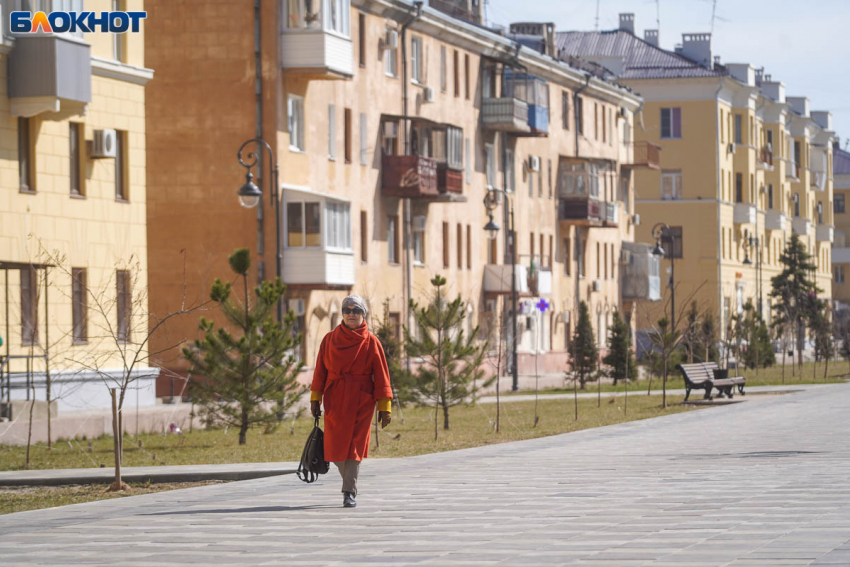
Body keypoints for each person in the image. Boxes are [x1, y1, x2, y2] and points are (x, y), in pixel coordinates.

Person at [310, 294, 392, 508]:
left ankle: (349, 491)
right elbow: (320, 371)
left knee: (354, 446)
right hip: (335, 398)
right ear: (342, 314)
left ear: (363, 314)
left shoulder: (371, 342)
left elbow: (382, 374)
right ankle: (349, 484)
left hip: (361, 400)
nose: (351, 314)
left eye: (356, 310)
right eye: (347, 310)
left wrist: (385, 406)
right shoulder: (329, 339)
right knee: (334, 447)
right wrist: (315, 398)